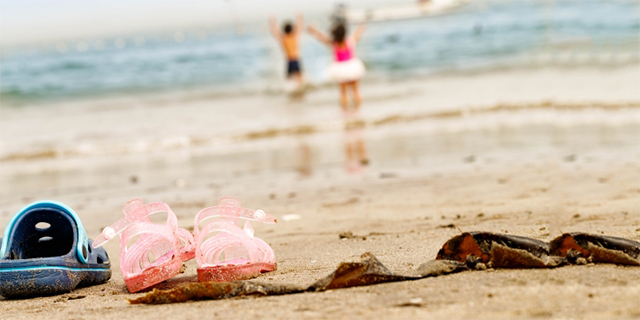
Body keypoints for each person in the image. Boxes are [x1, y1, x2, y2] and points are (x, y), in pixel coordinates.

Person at [308, 22, 366, 112]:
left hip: (340, 69)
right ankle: (358, 111)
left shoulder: (333, 43)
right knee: (355, 91)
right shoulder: (350, 41)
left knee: (343, 93)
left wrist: (313, 31)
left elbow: (321, 37)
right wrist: (362, 26)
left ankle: (345, 112)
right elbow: (358, 33)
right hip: (352, 67)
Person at [269, 13, 304, 85]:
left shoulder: (283, 39)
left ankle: (289, 90)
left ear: (284, 30)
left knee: (288, 79)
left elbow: (275, 32)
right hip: (296, 59)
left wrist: (272, 22)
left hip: (289, 61)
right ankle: (299, 89)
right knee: (300, 79)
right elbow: (299, 28)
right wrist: (299, 18)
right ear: (292, 29)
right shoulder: (293, 37)